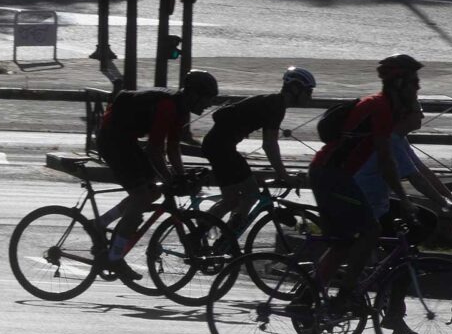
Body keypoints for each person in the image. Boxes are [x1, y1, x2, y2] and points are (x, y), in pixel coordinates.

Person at [307, 53, 424, 313]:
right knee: (370, 231)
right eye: (414, 81)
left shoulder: (385, 107)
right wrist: (404, 200)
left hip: (331, 174)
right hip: (331, 175)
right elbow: (386, 161)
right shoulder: (380, 107)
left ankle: (306, 301)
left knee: (342, 243)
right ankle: (346, 296)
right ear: (399, 83)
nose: (418, 86)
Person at [93, 70, 220, 280]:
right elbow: (154, 150)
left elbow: (172, 148)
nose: (208, 104)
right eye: (208, 99)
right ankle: (114, 258)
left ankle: (100, 223)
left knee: (152, 193)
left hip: (127, 139)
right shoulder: (168, 106)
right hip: (113, 139)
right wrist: (172, 179)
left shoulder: (181, 108)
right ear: (194, 94)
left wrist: (180, 175)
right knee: (141, 196)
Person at [357, 103, 452, 334]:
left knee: (423, 224)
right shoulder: (393, 140)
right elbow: (415, 179)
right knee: (406, 257)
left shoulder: (399, 139)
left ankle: (388, 269)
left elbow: (423, 171)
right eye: (418, 111)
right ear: (405, 115)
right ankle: (393, 307)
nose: (423, 115)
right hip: (366, 206)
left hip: (377, 202)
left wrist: (451, 197)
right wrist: (444, 202)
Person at [200, 66, 316, 232]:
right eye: (308, 91)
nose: (310, 96)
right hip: (222, 148)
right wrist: (284, 175)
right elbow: (269, 145)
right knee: (251, 192)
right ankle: (226, 237)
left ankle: (200, 234)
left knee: (231, 200)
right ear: (295, 89)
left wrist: (281, 172)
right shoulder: (276, 106)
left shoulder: (273, 102)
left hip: (217, 145)